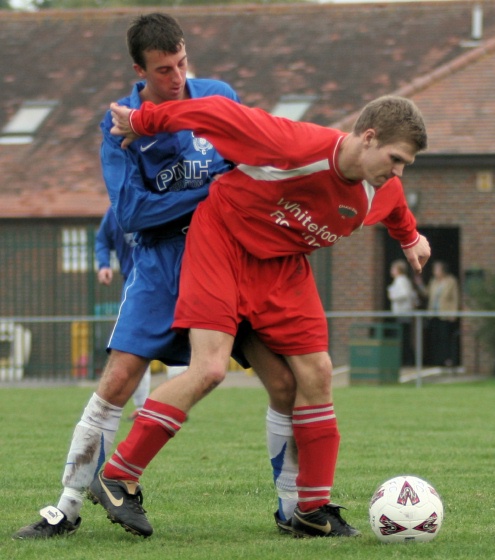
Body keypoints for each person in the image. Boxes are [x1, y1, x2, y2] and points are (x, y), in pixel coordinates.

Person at [87, 94, 431, 539]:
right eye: (396, 158)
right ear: (368, 138)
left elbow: (398, 210)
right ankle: (118, 474)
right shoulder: (294, 144)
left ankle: (310, 509)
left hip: (283, 267)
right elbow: (212, 111)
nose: (398, 172)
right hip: (223, 244)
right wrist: (141, 119)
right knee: (209, 370)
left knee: (317, 373)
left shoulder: (380, 188)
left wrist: (410, 239)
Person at [13, 12, 298, 540]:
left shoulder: (217, 96)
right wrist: (214, 194)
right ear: (139, 71)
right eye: (164, 70)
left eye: (183, 62)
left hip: (229, 261)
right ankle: (67, 507)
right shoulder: (118, 124)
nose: (178, 78)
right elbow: (132, 214)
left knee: (284, 382)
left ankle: (294, 509)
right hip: (161, 266)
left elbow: (253, 165)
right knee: (117, 382)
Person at [95, 207, 152, 420]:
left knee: (181, 340)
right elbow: (102, 240)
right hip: (133, 286)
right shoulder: (114, 213)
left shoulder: (159, 200)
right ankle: (142, 407)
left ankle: (174, 406)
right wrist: (103, 265)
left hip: (166, 282)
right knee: (134, 346)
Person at [415, 260, 460, 366]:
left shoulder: (451, 281)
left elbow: (455, 298)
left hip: (445, 315)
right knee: (435, 338)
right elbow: (427, 294)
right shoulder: (433, 281)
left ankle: (446, 359)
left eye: (436, 269)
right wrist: (420, 285)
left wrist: (454, 313)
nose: (434, 271)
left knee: (444, 337)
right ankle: (436, 360)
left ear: (443, 270)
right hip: (433, 314)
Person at [387, 259, 418, 366]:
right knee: (403, 337)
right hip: (401, 313)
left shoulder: (401, 280)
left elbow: (405, 294)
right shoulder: (400, 280)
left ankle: (407, 360)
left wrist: (393, 296)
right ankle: (406, 360)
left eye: (393, 269)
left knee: (403, 337)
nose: (391, 271)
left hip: (403, 314)